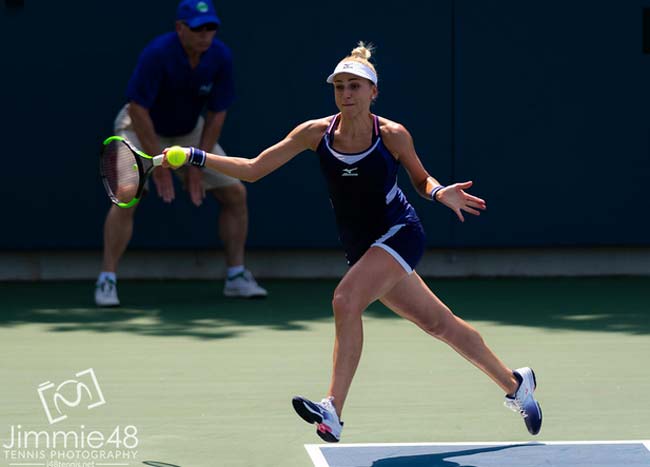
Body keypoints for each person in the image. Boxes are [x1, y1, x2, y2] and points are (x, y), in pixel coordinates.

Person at [161, 42, 543, 442]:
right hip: (362, 247)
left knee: (345, 301)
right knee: (438, 323)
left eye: (355, 86)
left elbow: (420, 179)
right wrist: (194, 154)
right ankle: (517, 384)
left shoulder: (392, 134)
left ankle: (333, 410)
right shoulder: (314, 133)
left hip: (400, 232)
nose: (346, 93)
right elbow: (254, 169)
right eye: (339, 86)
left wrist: (438, 192)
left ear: (372, 92)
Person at [94, 0, 267, 306]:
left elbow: (216, 113)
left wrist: (197, 164)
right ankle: (107, 279)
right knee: (126, 193)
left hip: (190, 132)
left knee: (235, 194)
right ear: (180, 28)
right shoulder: (157, 54)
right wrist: (159, 165)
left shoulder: (220, 57)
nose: (205, 35)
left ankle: (237, 276)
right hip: (139, 126)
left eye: (211, 28)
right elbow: (137, 108)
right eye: (198, 28)